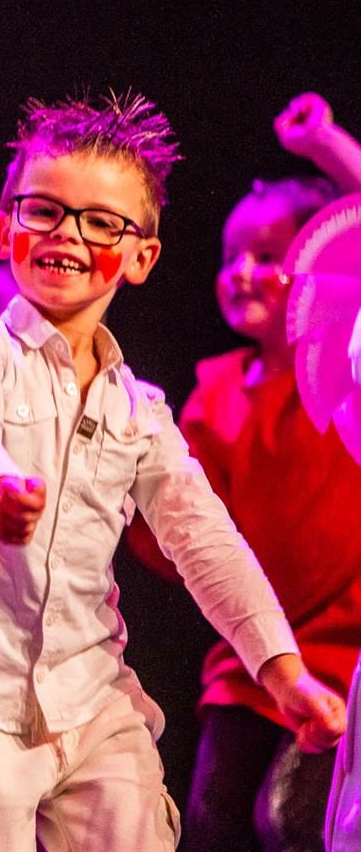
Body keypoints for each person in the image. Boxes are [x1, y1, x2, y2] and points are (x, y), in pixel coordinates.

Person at [0, 91, 347, 852]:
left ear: (140, 257)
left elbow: (205, 540)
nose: (67, 233)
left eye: (101, 222)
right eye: (44, 211)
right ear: (5, 229)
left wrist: (282, 670)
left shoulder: (141, 410)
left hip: (91, 696)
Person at [165, 173, 361, 852]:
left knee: (296, 823)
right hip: (250, 657)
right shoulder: (213, 395)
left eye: (268, 256)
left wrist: (325, 149)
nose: (243, 272)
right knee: (213, 819)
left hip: (341, 647)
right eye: (231, 257)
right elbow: (180, 527)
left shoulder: (342, 379)